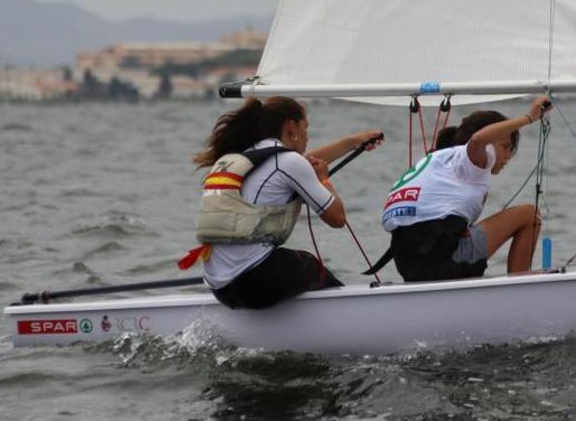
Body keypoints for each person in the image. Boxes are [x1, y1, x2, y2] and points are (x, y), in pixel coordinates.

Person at [192, 96, 383, 308]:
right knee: (313, 267)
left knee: (291, 265)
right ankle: (350, 319)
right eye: (305, 128)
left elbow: (299, 163)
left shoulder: (243, 158)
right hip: (253, 281)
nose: (307, 137)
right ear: (291, 127)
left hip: (221, 287)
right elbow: (337, 218)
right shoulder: (287, 162)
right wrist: (324, 179)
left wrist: (352, 142)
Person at [366, 95, 552, 282]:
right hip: (443, 261)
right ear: (490, 142)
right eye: (505, 146)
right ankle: (520, 284)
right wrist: (529, 118)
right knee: (530, 214)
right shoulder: (473, 157)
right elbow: (478, 140)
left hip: (406, 263)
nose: (508, 156)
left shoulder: (438, 161)